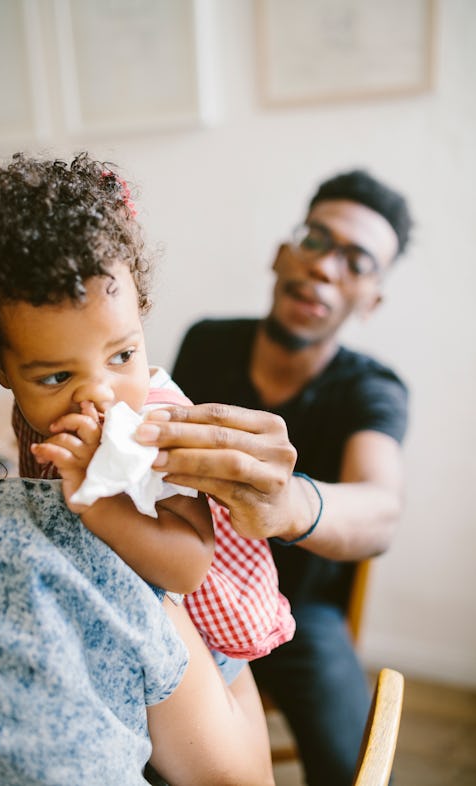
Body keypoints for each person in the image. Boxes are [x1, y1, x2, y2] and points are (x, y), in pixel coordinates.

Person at [136, 169, 412, 786]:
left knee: (354, 770)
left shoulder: (373, 389)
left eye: (357, 261)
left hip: (302, 614)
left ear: (372, 299)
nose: (324, 267)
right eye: (315, 240)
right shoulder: (207, 342)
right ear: (282, 254)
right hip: (182, 579)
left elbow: (381, 508)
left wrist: (291, 505)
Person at [0, 336, 274, 786]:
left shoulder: (149, 425)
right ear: (2, 369)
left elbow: (190, 567)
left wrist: (95, 505)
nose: (98, 391)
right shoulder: (37, 440)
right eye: (56, 376)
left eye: (122, 356)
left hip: (199, 608)